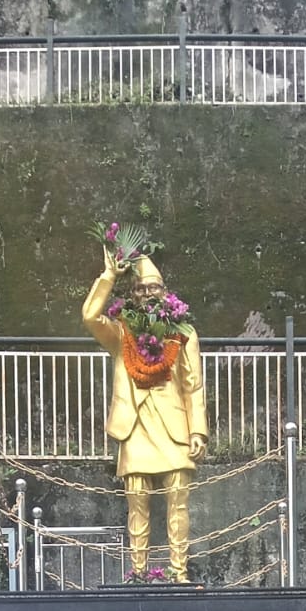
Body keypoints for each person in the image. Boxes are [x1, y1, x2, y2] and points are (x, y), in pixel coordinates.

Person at [82, 247, 208, 582]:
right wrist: (109, 275)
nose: (148, 294)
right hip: (135, 427)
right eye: (140, 289)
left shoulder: (184, 332)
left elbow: (193, 384)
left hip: (175, 427)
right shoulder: (121, 333)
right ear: (133, 295)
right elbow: (91, 318)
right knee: (137, 503)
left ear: (165, 292)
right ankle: (138, 573)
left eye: (154, 287)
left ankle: (179, 572)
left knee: (178, 503)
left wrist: (198, 430)